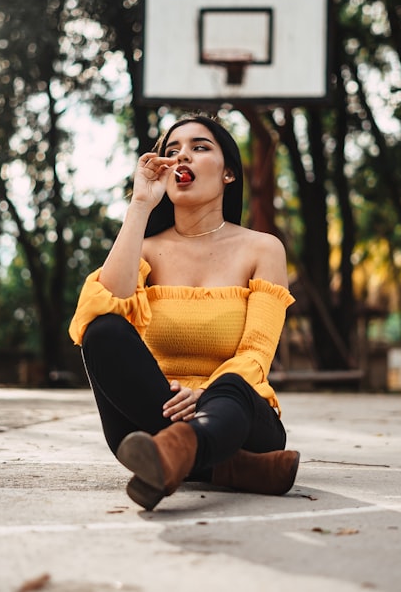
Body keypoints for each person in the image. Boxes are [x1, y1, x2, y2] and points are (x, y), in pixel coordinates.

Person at [68, 114, 300, 511]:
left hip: (238, 416)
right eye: (172, 151)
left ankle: (182, 453)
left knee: (233, 385)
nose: (181, 158)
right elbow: (97, 309)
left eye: (199, 147)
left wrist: (206, 396)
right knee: (103, 330)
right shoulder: (146, 249)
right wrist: (140, 204)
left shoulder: (262, 249)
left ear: (228, 173)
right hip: (156, 410)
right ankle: (230, 468)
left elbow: (256, 354)